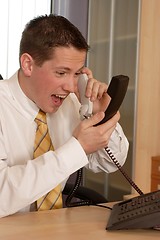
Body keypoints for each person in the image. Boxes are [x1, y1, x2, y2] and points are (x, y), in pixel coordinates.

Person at [0, 14, 129, 218]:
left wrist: (99, 114)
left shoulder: (72, 103)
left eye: (77, 74)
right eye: (61, 73)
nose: (70, 87)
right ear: (28, 65)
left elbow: (110, 163)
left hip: (56, 228)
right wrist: (76, 148)